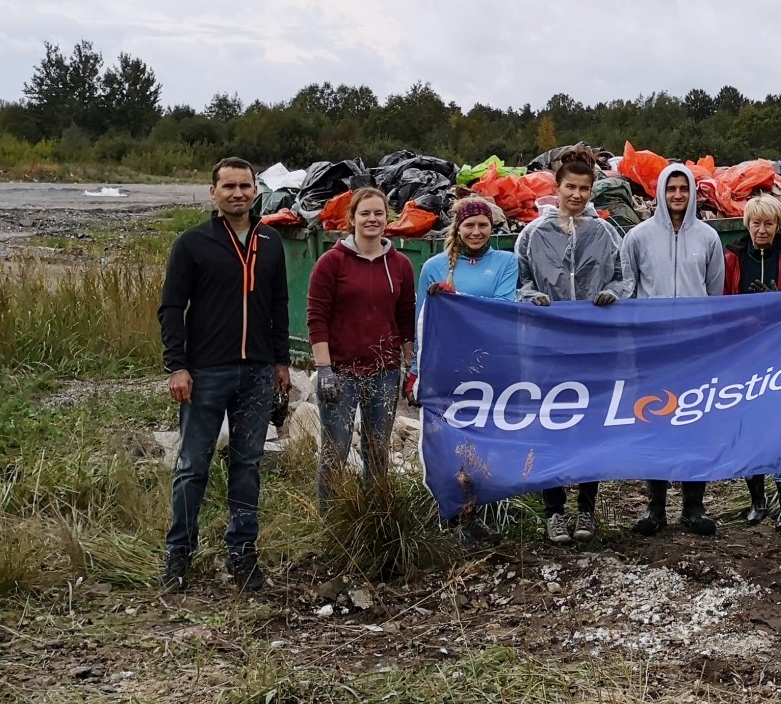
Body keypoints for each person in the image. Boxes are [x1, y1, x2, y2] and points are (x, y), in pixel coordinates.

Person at [158, 157, 291, 592]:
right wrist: (177, 365)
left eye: (245, 186)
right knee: (192, 465)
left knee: (247, 465)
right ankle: (179, 554)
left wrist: (281, 362)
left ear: (256, 191)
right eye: (229, 186)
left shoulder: (270, 241)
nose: (238, 193)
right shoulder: (193, 243)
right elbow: (172, 307)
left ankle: (243, 554)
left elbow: (279, 305)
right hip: (205, 372)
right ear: (213, 192)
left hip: (257, 372)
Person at [514, 151, 630, 544]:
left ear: (591, 190)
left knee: (589, 428)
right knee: (551, 427)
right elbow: (521, 281)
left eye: (584, 188)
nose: (576, 195)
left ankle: (586, 510)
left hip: (595, 349)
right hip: (548, 350)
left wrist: (613, 294)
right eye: (570, 187)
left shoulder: (605, 233)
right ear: (558, 187)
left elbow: (622, 276)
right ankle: (554, 511)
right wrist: (531, 297)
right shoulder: (533, 235)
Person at [621, 163, 726, 537]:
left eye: (684, 188)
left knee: (695, 423)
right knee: (655, 424)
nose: (678, 195)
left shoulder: (709, 237)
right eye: (671, 188)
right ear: (660, 192)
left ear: (692, 192)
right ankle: (655, 507)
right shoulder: (637, 237)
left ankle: (694, 507)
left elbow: (714, 292)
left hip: (695, 349)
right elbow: (628, 290)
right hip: (652, 350)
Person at [411, 195, 518, 544]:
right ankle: (454, 517)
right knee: (450, 443)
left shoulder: (506, 261)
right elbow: (422, 322)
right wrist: (415, 370)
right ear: (457, 228)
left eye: (483, 225)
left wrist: (455, 300)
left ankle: (481, 514)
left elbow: (503, 307)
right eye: (469, 225)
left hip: (491, 365)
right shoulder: (434, 266)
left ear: (492, 227)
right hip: (448, 367)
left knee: (486, 441)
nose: (476, 231)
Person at [307, 187, 416, 509]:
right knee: (335, 451)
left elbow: (405, 319)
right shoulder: (331, 263)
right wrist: (324, 369)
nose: (372, 219)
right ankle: (330, 519)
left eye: (378, 213)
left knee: (377, 450)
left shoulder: (400, 265)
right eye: (364, 213)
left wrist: (411, 366)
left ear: (387, 218)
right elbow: (316, 318)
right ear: (352, 218)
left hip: (384, 372)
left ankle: (375, 517)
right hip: (341, 373)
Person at [722, 195, 781, 530]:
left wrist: (775, 308)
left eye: (769, 224)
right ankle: (757, 499)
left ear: (778, 225)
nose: (762, 230)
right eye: (756, 223)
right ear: (748, 224)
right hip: (745, 353)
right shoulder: (733, 257)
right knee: (749, 425)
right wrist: (746, 319)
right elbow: (724, 304)